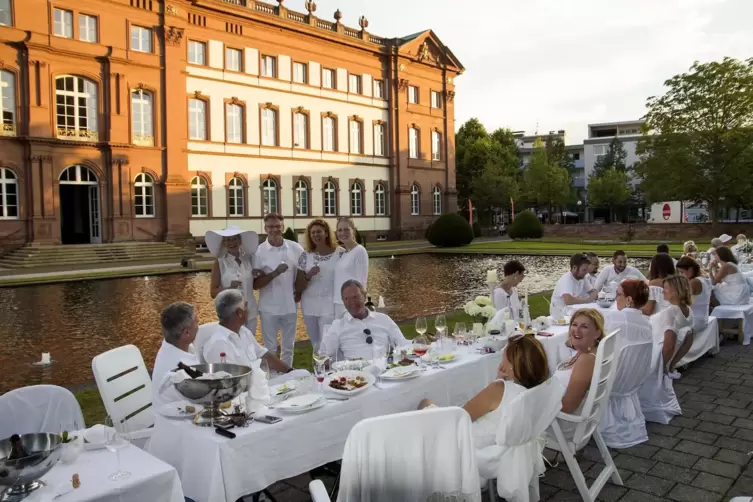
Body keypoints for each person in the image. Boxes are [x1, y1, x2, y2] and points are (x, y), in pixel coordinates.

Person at [417, 335, 559, 499]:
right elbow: (503, 405)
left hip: (478, 449)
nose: (502, 359)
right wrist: (500, 381)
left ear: (513, 366)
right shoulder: (537, 390)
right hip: (504, 447)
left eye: (504, 357)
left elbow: (461, 418)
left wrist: (497, 384)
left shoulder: (498, 390)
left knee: (424, 403)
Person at [253, 214, 304, 366]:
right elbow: (255, 284)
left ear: (282, 227)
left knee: (288, 347)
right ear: (265, 228)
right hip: (269, 308)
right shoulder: (258, 252)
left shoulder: (295, 248)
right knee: (270, 347)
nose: (274, 229)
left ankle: (288, 378)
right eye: (270, 227)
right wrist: (274, 273)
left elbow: (302, 272)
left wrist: (300, 292)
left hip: (290, 306)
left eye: (277, 226)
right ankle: (272, 380)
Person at [203, 289, 292, 374]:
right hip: (247, 387)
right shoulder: (219, 344)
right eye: (246, 305)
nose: (249, 310)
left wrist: (290, 371)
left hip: (261, 381)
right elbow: (227, 381)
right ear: (239, 313)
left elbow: (265, 356)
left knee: (301, 374)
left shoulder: (244, 332)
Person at [323, 280, 408, 360]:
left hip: (386, 370)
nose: (352, 302)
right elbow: (324, 355)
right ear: (343, 301)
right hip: (355, 373)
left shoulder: (383, 319)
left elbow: (402, 343)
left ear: (364, 297)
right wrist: (326, 362)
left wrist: (416, 344)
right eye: (346, 299)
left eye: (355, 297)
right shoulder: (338, 326)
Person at [295, 219, 342, 352]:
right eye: (313, 232)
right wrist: (308, 275)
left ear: (326, 233)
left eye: (319, 231)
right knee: (315, 343)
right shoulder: (305, 256)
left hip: (330, 304)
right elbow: (298, 286)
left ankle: (332, 370)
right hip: (309, 305)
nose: (316, 235)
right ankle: (319, 370)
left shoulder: (340, 253)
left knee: (328, 342)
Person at [206, 226, 260, 334]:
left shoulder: (249, 259)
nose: (231, 242)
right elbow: (213, 292)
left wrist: (259, 273)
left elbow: (255, 284)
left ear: (240, 241)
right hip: (231, 313)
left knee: (250, 344)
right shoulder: (220, 262)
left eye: (234, 239)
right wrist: (229, 288)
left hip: (250, 310)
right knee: (234, 344)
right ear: (224, 243)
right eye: (228, 240)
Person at [151, 302, 200, 411]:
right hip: (177, 422)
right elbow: (202, 400)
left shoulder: (172, 345)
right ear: (186, 332)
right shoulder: (178, 368)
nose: (198, 325)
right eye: (196, 321)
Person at [556, 309, 605, 414]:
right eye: (574, 324)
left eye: (584, 327)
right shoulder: (585, 352)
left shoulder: (586, 360)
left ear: (597, 333)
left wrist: (542, 406)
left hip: (561, 422)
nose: (576, 331)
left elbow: (568, 407)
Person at [658, 275, 694, 378]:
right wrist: (672, 364)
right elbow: (689, 340)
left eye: (665, 288)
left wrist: (661, 367)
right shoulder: (688, 310)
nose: (662, 291)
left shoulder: (671, 311)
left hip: (656, 351)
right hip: (668, 357)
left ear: (675, 291)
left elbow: (669, 346)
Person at [333, 217, 369, 319]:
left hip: (351, 304)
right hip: (338, 302)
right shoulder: (344, 253)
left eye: (346, 229)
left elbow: (362, 281)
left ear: (353, 230)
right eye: (340, 230)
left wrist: (357, 305)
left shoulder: (359, 251)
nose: (342, 233)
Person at [608, 279, 652, 347]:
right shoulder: (649, 325)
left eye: (618, 294)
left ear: (628, 300)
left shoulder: (613, 317)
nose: (616, 298)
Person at [676, 257, 712, 334]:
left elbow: (681, 301)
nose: (680, 275)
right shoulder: (705, 277)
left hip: (695, 320)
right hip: (702, 317)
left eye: (682, 272)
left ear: (691, 270)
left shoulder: (694, 282)